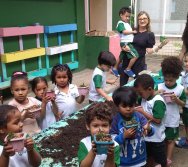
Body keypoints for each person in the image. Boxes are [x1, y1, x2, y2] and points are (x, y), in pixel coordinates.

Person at [110, 86, 154, 167]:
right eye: (124, 106)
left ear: (135, 104)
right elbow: (112, 140)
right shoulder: (115, 120)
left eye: (131, 106)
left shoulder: (139, 116)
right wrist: (123, 136)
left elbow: (150, 132)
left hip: (140, 160)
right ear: (117, 106)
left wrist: (148, 128)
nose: (128, 109)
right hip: (124, 162)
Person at [157, 56, 186, 166]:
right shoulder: (159, 86)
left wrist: (177, 100)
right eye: (166, 79)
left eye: (171, 80)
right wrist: (156, 93)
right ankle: (162, 158)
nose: (168, 82)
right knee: (162, 139)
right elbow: (151, 98)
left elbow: (183, 103)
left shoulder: (180, 89)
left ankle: (168, 160)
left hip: (173, 119)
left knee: (171, 140)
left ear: (177, 77)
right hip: (161, 119)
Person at [114, 11, 155, 86]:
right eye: (140, 19)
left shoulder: (150, 34)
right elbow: (123, 38)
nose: (142, 20)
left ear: (148, 19)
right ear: (137, 20)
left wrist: (159, 47)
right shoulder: (132, 30)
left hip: (139, 64)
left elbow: (149, 51)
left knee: (139, 86)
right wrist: (122, 47)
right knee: (123, 86)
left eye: (144, 18)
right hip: (126, 61)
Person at [134, 74, 167, 167]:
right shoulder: (144, 98)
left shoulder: (158, 102)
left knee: (160, 160)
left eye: (140, 93)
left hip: (157, 138)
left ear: (149, 89)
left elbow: (157, 120)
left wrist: (142, 112)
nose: (139, 95)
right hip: (146, 137)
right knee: (148, 156)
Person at [77, 101, 120, 167]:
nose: (100, 130)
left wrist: (111, 155)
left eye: (104, 125)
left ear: (110, 126)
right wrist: (93, 151)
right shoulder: (85, 143)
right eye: (95, 126)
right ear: (88, 126)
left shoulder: (115, 146)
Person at [8, 72, 44, 136]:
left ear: (28, 89)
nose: (20, 93)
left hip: (37, 133)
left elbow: (42, 110)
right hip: (23, 138)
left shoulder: (33, 100)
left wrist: (45, 102)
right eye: (17, 90)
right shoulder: (11, 105)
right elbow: (10, 125)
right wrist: (24, 117)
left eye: (23, 89)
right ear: (12, 90)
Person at [116, 7, 138, 78]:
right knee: (135, 56)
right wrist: (133, 32)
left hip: (126, 43)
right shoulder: (120, 23)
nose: (128, 18)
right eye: (126, 16)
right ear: (121, 15)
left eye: (129, 16)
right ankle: (128, 69)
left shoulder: (127, 24)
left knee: (121, 56)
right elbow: (124, 32)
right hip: (126, 43)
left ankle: (114, 68)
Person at [176, 53, 188, 148]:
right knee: (185, 122)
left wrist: (177, 90)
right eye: (186, 61)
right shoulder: (185, 74)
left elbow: (186, 91)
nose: (187, 64)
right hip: (185, 104)